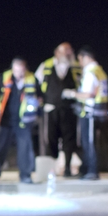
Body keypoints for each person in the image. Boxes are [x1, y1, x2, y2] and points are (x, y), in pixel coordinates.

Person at [0, 57, 40, 184]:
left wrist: (37, 102)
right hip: (5, 120)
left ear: (25, 69)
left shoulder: (32, 79)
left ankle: (25, 175)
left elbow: (41, 96)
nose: (19, 74)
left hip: (24, 121)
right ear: (12, 69)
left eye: (21, 71)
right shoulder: (4, 78)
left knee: (25, 148)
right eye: (16, 71)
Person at [35, 42, 82, 176]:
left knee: (69, 139)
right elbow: (36, 83)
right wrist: (39, 99)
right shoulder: (46, 65)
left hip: (69, 109)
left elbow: (83, 84)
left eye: (70, 51)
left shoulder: (76, 66)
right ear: (57, 52)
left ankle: (67, 168)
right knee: (51, 139)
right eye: (65, 51)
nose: (68, 53)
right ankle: (52, 169)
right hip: (50, 108)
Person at [64, 46, 108, 180]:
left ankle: (91, 171)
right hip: (99, 112)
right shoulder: (100, 71)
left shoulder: (90, 73)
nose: (80, 63)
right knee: (91, 141)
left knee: (88, 142)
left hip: (90, 113)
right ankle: (87, 169)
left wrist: (71, 94)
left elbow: (88, 94)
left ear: (86, 57)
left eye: (81, 60)